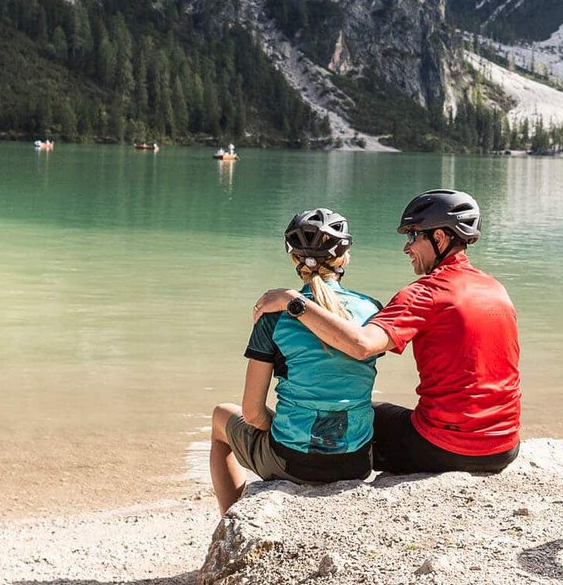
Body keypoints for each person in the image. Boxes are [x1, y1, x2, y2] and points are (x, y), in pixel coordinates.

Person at [254, 189, 520, 476]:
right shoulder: (495, 289)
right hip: (505, 446)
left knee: (361, 422)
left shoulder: (426, 293)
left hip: (446, 448)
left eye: (413, 236)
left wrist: (292, 302)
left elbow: (361, 345)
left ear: (440, 238)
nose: (407, 248)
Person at [209, 209, 382, 513]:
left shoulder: (273, 317)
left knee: (221, 417)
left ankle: (230, 519)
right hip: (356, 461)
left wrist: (285, 428)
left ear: (294, 259)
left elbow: (251, 413)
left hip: (293, 461)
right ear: (343, 258)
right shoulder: (370, 310)